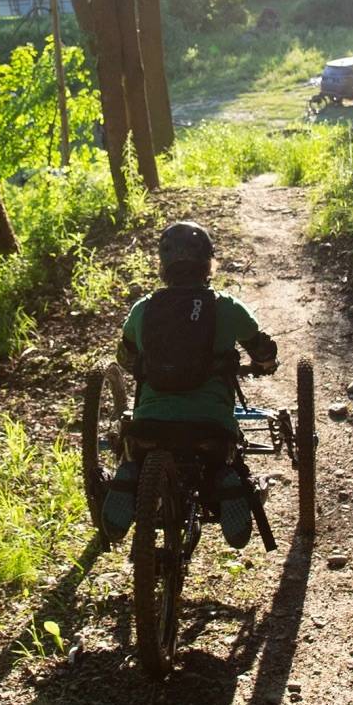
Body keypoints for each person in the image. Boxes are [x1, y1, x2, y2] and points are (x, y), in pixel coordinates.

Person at [103, 220, 278, 547]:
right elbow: (262, 349)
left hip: (148, 429)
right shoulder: (226, 306)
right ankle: (227, 482)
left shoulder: (143, 309)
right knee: (220, 460)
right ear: (208, 263)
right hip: (210, 430)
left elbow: (125, 360)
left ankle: (128, 476)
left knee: (137, 454)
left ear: (163, 265)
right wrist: (265, 364)